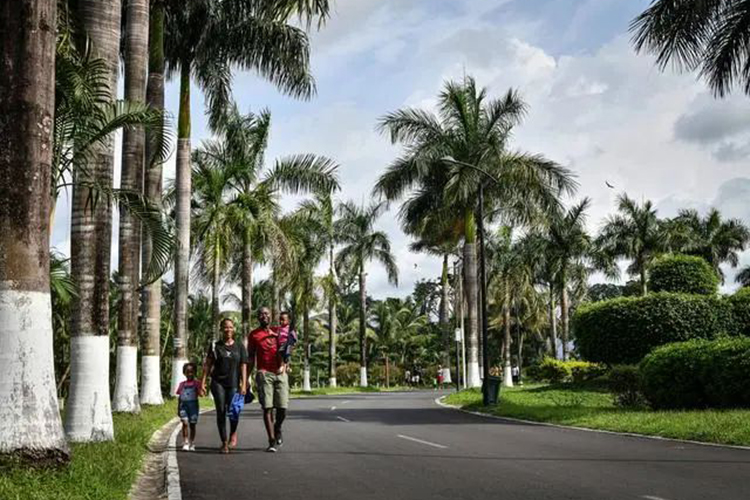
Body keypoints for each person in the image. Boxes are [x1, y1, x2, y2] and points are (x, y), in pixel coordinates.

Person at [200, 318, 248, 454]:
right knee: (221, 411)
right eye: (226, 327)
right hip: (218, 383)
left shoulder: (239, 346)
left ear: (234, 329)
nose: (228, 330)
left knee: (234, 412)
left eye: (231, 327)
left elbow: (243, 366)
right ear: (221, 329)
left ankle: (233, 432)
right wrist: (203, 382)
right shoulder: (215, 346)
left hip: (233, 383)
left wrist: (244, 384)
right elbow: (208, 364)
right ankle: (224, 442)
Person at [247, 307, 290, 453]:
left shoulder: (278, 331)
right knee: (267, 407)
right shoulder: (254, 335)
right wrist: (246, 378)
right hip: (264, 373)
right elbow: (251, 357)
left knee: (282, 408)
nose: (263, 316)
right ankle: (271, 441)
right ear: (257, 317)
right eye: (260, 314)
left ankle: (277, 427)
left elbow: (288, 347)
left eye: (266, 313)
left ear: (271, 316)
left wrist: (286, 363)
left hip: (280, 372)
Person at [176, 362, 200, 451]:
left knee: (192, 424)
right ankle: (185, 441)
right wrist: (178, 408)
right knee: (185, 423)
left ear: (194, 372)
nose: (190, 374)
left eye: (191, 372)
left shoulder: (197, 383)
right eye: (187, 372)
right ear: (184, 373)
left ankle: (192, 442)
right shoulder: (182, 384)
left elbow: (201, 393)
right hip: (183, 406)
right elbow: (180, 397)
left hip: (193, 407)